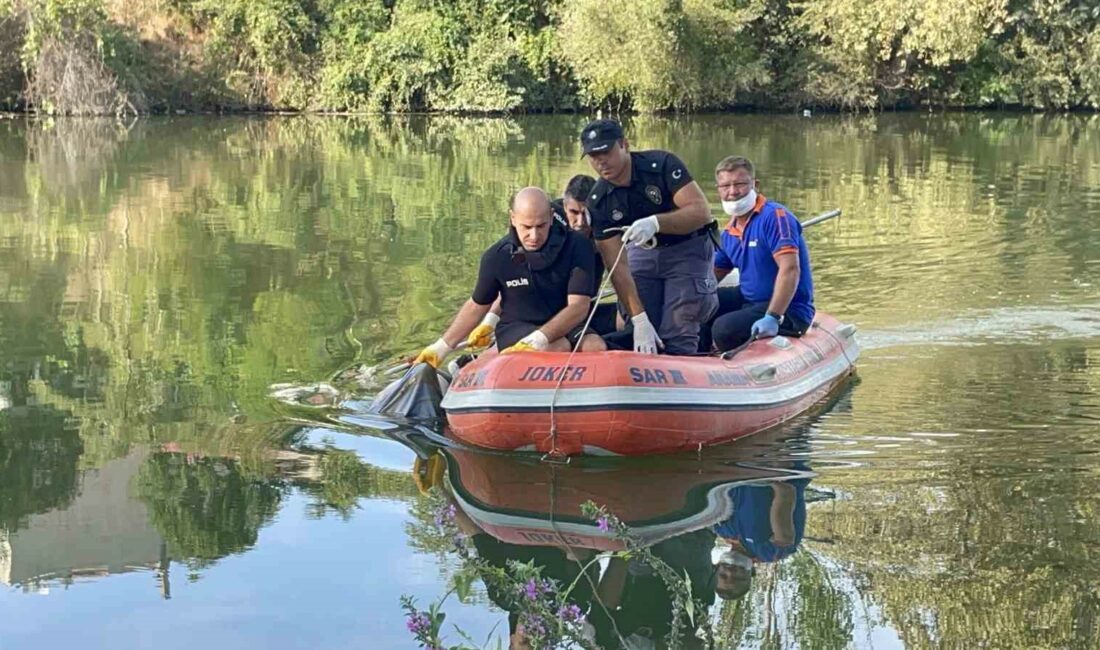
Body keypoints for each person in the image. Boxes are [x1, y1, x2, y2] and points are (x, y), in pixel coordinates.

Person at [413, 187, 603, 368]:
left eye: (541, 226)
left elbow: (578, 307)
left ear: (552, 218)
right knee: (559, 347)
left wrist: (537, 339)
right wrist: (441, 347)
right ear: (513, 219)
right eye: (526, 227)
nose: (534, 235)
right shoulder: (497, 256)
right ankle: (479, 366)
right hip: (517, 325)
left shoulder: (577, 246)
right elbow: (477, 305)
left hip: (565, 322)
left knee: (595, 347)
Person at [582, 119, 718, 355]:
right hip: (642, 253)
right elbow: (616, 266)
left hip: (687, 247)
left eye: (606, 151)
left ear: (624, 144)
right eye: (593, 156)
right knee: (639, 326)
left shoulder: (661, 165)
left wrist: (657, 222)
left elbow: (700, 212)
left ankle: (686, 366)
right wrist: (640, 319)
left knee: (679, 326)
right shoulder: (599, 201)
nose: (600, 161)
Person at [466, 176, 618, 351]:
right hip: (539, 310)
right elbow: (515, 279)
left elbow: (618, 273)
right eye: (574, 213)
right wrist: (491, 319)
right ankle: (482, 358)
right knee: (552, 344)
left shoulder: (604, 229)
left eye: (587, 213)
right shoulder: (544, 227)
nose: (581, 222)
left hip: (578, 304)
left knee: (608, 332)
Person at [708, 156, 815, 353]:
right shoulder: (730, 231)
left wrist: (773, 316)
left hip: (789, 309)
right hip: (751, 300)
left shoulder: (775, 217)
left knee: (724, 328)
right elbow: (713, 274)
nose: (732, 192)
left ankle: (727, 357)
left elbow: (790, 269)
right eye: (725, 186)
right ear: (718, 190)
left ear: (755, 185)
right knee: (702, 304)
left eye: (740, 184)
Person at [712, 472, 811, 601]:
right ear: (751, 573)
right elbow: (786, 491)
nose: (730, 572)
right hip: (779, 466)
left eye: (723, 575)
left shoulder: (721, 529)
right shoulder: (772, 551)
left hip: (739, 464)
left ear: (716, 567)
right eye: (738, 578)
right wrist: (765, 473)